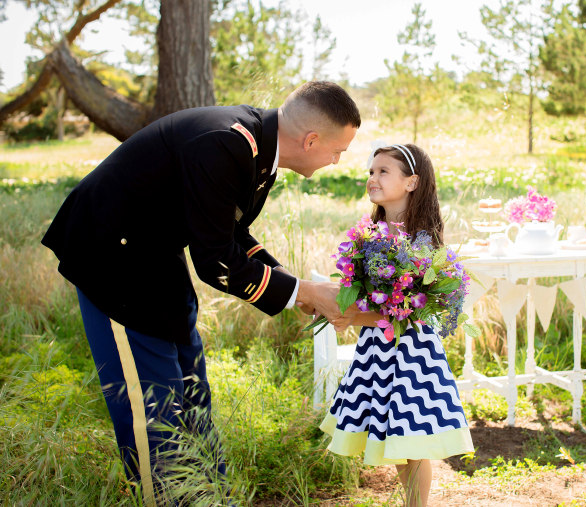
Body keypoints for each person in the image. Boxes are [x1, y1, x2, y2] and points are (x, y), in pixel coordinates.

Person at [41, 81, 361, 505]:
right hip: (112, 261)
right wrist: (301, 290)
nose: (337, 160)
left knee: (192, 390)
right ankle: (173, 497)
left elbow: (229, 233)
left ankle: (211, 497)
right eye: (338, 150)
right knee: (154, 408)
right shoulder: (227, 142)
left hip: (154, 255)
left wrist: (296, 287)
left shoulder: (257, 148)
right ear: (311, 140)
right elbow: (214, 261)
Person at [321, 144, 474, 507]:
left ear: (411, 182)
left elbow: (404, 310)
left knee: (413, 437)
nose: (372, 178)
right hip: (378, 348)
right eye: (371, 171)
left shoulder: (419, 240)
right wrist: (340, 306)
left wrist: (351, 316)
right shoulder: (371, 234)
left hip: (411, 351)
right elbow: (363, 294)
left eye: (383, 172)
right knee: (396, 435)